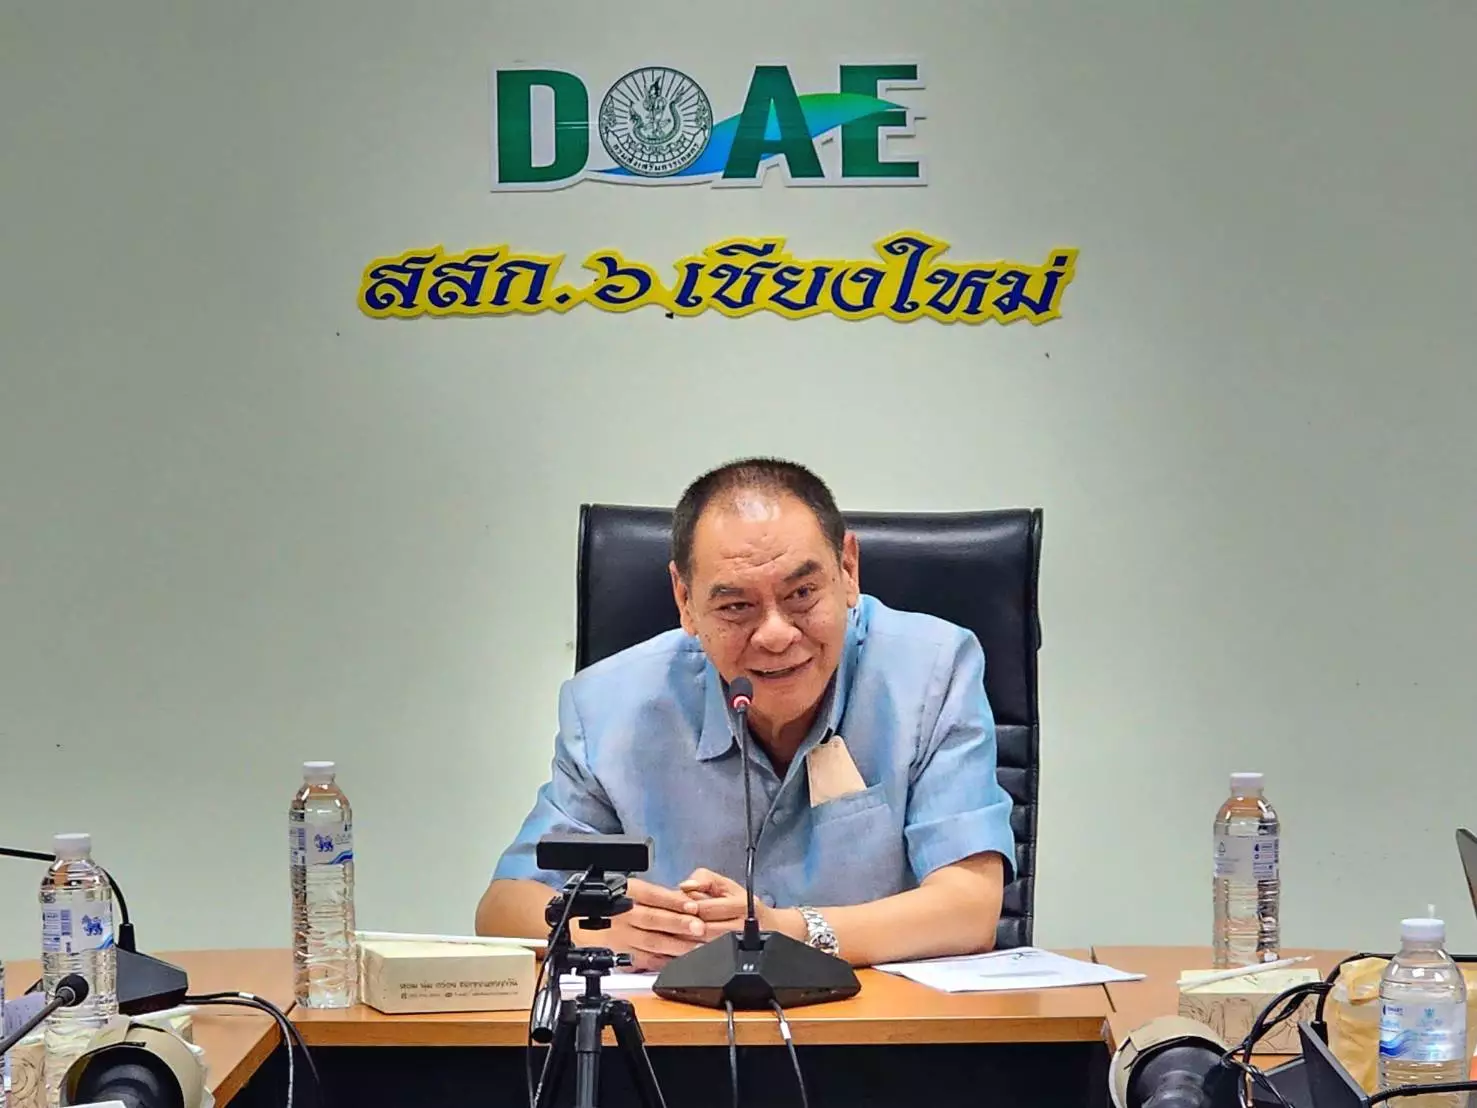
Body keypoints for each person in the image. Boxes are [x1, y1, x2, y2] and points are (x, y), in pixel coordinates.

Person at [476, 458, 1016, 969]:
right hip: (681, 1031)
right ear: (685, 601)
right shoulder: (608, 708)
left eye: (802, 593)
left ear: (848, 570)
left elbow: (970, 908)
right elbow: (503, 908)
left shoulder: (931, 672)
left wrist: (784, 931)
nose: (776, 634)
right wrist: (607, 928)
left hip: (881, 1026)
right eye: (737, 606)